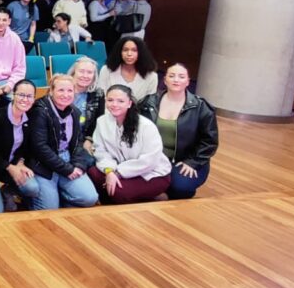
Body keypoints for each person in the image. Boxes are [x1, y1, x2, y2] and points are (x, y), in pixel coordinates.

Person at [139, 63, 218, 199]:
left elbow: (209, 141)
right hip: (153, 158)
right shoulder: (148, 102)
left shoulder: (201, 107)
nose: (176, 80)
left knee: (180, 186)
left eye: (181, 77)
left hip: (186, 160)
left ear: (188, 81)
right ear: (165, 80)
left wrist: (192, 162)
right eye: (171, 76)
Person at [20, 74, 99, 210]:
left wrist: (78, 165)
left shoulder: (75, 112)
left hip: (67, 159)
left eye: (69, 90)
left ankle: (59, 195)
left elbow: (78, 143)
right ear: (51, 91)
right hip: (43, 164)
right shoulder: (39, 110)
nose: (65, 95)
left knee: (89, 198)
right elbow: (39, 147)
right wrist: (67, 170)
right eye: (61, 90)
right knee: (49, 209)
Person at [84, 85, 172, 204]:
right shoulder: (102, 121)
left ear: (129, 103)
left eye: (120, 101)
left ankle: (153, 196)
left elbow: (149, 161)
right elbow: (101, 151)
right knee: (93, 173)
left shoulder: (146, 125)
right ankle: (141, 197)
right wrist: (109, 171)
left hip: (150, 173)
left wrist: (118, 173)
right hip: (117, 170)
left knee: (117, 192)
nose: (114, 104)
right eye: (110, 100)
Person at [0, 79, 37, 214]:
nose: (25, 99)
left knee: (33, 188)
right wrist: (9, 167)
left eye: (29, 96)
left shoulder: (30, 118)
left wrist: (21, 162)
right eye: (21, 95)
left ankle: (8, 191)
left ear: (34, 99)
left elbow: (26, 147)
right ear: (13, 95)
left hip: (13, 166)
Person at [68, 56, 106, 162]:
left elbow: (98, 121)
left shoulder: (98, 94)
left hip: (83, 138)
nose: (85, 76)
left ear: (94, 76)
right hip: (62, 138)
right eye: (81, 71)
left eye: (89, 72)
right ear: (73, 72)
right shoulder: (62, 89)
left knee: (91, 161)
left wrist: (89, 140)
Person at [98, 36, 158, 102]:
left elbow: (149, 103)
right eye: (125, 50)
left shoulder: (152, 76)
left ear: (141, 53)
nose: (129, 54)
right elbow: (100, 97)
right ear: (119, 52)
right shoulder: (106, 70)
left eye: (134, 50)